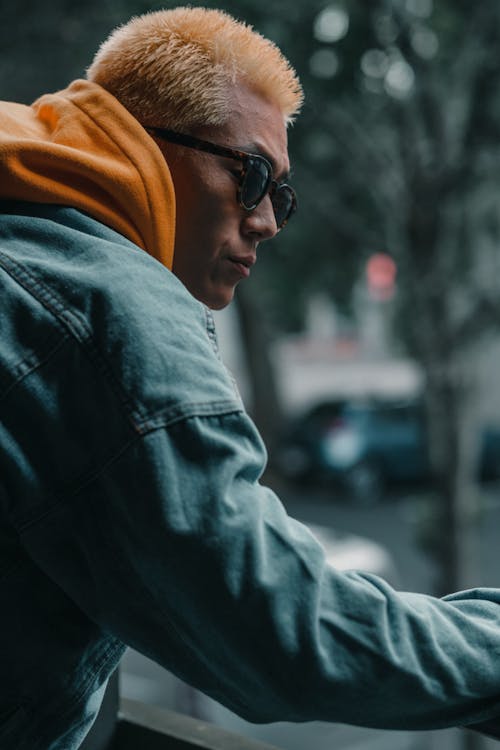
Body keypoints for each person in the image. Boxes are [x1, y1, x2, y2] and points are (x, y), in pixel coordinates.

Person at [0, 7, 500, 749]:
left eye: (282, 197)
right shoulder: (111, 309)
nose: (266, 220)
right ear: (147, 141)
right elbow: (286, 632)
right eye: (253, 175)